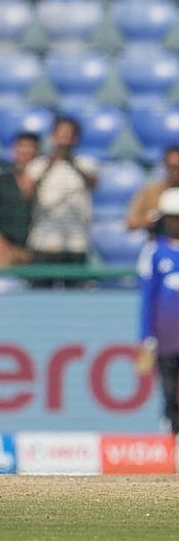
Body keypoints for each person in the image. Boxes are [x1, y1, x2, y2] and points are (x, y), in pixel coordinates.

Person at [22, 115, 98, 288]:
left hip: (76, 242)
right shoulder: (38, 165)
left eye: (69, 135)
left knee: (76, 293)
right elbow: (27, 194)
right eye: (61, 135)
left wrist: (72, 162)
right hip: (44, 242)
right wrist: (50, 164)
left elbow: (93, 183)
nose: (64, 140)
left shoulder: (86, 163)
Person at [136, 187, 179, 451]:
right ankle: (172, 441)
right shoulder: (154, 252)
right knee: (170, 391)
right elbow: (147, 298)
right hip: (167, 338)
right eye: (172, 217)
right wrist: (146, 335)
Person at [0, 132, 39, 268]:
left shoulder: (48, 183)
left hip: (41, 251)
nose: (26, 152)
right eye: (22, 147)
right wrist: (7, 249)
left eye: (30, 147)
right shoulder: (0, 183)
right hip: (6, 251)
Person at [127, 145, 179, 236]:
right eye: (172, 167)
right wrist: (148, 221)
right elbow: (131, 223)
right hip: (158, 239)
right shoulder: (150, 192)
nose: (176, 171)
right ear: (165, 166)